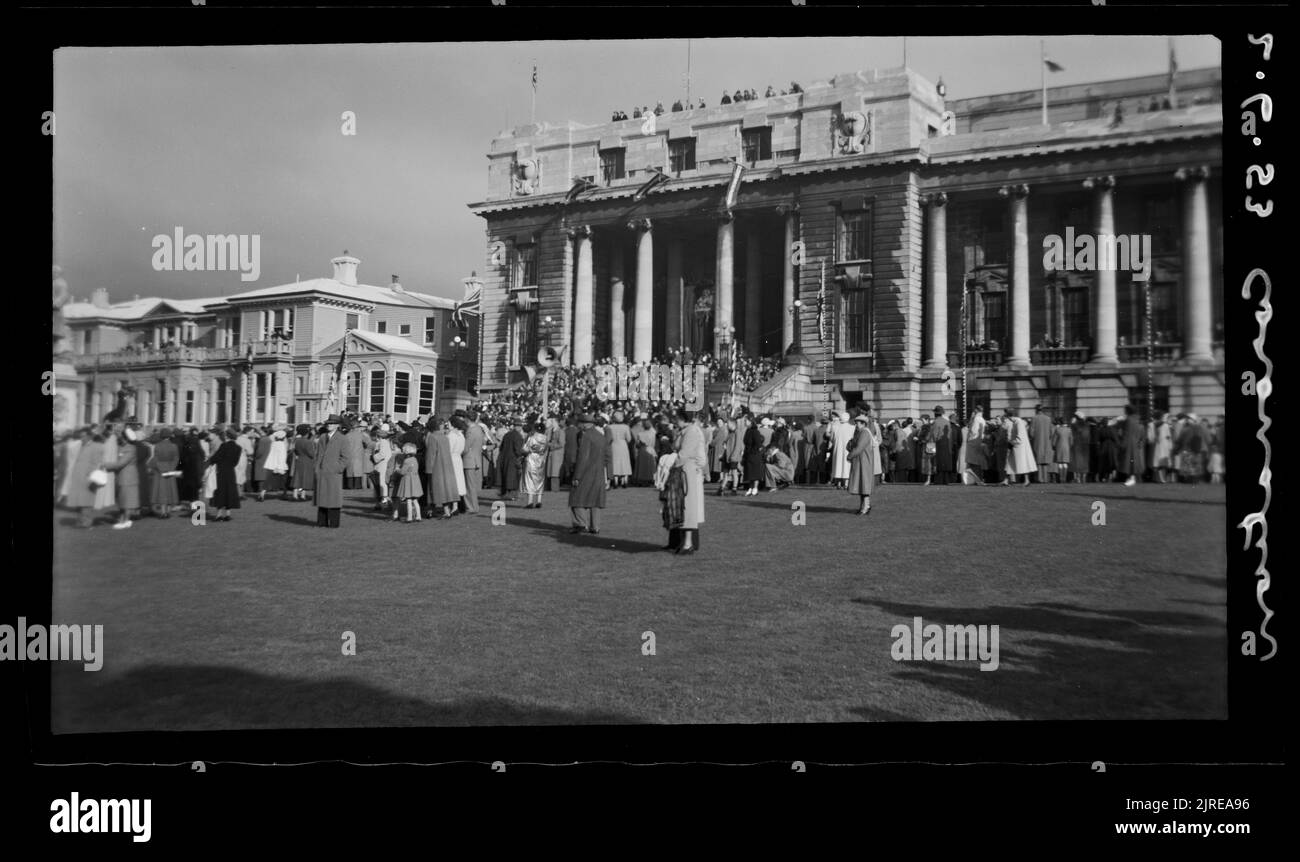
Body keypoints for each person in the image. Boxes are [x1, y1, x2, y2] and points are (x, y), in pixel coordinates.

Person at [671, 408, 707, 554]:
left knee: (688, 507)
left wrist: (669, 461)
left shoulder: (691, 431)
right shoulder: (685, 431)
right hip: (683, 471)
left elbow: (685, 453)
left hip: (688, 471)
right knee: (682, 507)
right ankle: (684, 542)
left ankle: (688, 543)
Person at [569, 414, 609, 534]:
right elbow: (608, 456)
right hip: (599, 473)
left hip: (586, 472)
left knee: (576, 498)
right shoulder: (601, 436)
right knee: (595, 501)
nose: (578, 425)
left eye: (580, 423)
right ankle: (595, 526)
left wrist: (577, 476)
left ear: (585, 424)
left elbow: (582, 458)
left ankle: (580, 524)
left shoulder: (586, 436)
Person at [314, 414, 349, 527]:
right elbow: (318, 454)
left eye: (332, 423)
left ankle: (334, 523)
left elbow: (346, 457)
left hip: (334, 472)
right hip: (322, 471)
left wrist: (337, 468)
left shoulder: (342, 438)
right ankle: (321, 523)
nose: (329, 425)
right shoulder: (323, 437)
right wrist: (316, 468)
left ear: (338, 425)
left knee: (333, 499)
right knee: (322, 498)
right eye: (328, 423)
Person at [424, 416, 461, 519]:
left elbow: (431, 455)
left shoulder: (432, 437)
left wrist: (428, 469)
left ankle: (430, 511)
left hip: (436, 467)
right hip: (447, 465)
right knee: (444, 489)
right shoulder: (444, 437)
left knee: (432, 489)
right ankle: (446, 511)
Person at [846, 410, 879, 515]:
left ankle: (866, 506)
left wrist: (850, 455)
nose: (856, 424)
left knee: (864, 485)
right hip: (860, 461)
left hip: (864, 462)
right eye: (856, 422)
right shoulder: (860, 432)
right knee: (862, 485)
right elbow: (852, 445)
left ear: (863, 423)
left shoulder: (864, 432)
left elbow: (859, 447)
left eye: (858, 422)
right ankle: (863, 506)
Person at [207, 428, 244, 522]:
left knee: (220, 492)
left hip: (221, 471)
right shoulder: (238, 447)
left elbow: (216, 457)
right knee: (229, 492)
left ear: (227, 436)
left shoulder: (224, 446)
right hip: (231, 471)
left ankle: (219, 515)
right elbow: (236, 462)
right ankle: (228, 514)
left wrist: (210, 461)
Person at [461, 411, 486, 514]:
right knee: (473, 486)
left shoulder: (471, 430)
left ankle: (471, 507)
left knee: (469, 486)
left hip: (469, 460)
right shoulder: (479, 429)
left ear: (467, 419)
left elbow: (466, 447)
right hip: (476, 459)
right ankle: (474, 507)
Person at [1005, 409, 1037, 486]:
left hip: (1019, 447)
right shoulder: (1016, 422)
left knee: (1023, 464)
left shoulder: (1018, 422)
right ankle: (1006, 480)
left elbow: (1020, 437)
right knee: (1011, 463)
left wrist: (1011, 442)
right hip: (1017, 446)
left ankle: (1026, 480)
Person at [394, 442, 423, 523]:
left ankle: (409, 518)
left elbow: (403, 472)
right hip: (415, 481)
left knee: (409, 500)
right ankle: (418, 516)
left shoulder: (406, 461)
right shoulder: (415, 459)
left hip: (408, 481)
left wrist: (397, 470)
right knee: (415, 500)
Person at [522, 419, 549, 509]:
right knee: (540, 479)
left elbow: (525, 448)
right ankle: (539, 500)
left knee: (530, 479)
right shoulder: (545, 439)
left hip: (531, 458)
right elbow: (545, 449)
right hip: (541, 459)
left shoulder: (532, 437)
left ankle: (530, 501)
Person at [498, 416, 525, 500]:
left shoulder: (507, 434)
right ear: (520, 426)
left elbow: (501, 447)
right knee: (514, 478)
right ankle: (513, 495)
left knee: (506, 476)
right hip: (514, 459)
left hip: (504, 458)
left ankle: (506, 494)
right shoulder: (518, 436)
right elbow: (518, 450)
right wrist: (525, 453)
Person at [370, 424, 395, 511]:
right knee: (378, 484)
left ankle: (384, 501)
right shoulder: (381, 442)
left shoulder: (383, 443)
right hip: (379, 465)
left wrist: (373, 457)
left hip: (382, 466)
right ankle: (379, 503)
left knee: (381, 484)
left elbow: (382, 454)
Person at [606, 411, 633, 488]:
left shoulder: (610, 427)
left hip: (614, 445)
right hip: (623, 445)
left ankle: (616, 480)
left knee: (615, 462)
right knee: (625, 462)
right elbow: (629, 439)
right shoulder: (626, 427)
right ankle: (625, 479)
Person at [291, 425, 317, 501]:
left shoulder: (297, 441)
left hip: (299, 459)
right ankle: (302, 495)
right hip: (307, 461)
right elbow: (311, 454)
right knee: (305, 478)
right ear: (307, 433)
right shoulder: (308, 442)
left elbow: (295, 451)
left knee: (297, 478)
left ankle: (295, 494)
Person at [828, 411, 854, 489]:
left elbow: (832, 439)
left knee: (838, 465)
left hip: (837, 449)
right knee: (846, 466)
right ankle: (846, 483)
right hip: (847, 450)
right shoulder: (852, 427)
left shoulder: (834, 427)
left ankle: (838, 483)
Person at [1030, 404, 1054, 484]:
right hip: (1047, 442)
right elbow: (1051, 432)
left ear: (1036, 410)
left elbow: (1031, 433)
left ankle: (1040, 478)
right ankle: (1046, 478)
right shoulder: (1048, 418)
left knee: (1039, 461)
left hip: (1038, 442)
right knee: (1045, 461)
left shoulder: (1034, 419)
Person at [264, 428, 290, 499]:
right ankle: (284, 494)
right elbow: (282, 456)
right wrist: (281, 466)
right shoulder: (282, 445)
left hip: (271, 464)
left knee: (268, 480)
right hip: (280, 464)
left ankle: (262, 493)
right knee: (284, 481)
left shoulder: (273, 443)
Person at [742, 411, 764, 496]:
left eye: (746, 421)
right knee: (749, 473)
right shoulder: (747, 431)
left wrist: (752, 451)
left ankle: (755, 488)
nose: (745, 422)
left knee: (755, 474)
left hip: (754, 455)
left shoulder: (755, 431)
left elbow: (758, 444)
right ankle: (750, 488)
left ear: (750, 421)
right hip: (748, 455)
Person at [963, 408, 987, 485]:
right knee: (977, 463)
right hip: (979, 442)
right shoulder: (982, 419)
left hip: (973, 443)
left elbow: (973, 430)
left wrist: (971, 418)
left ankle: (977, 480)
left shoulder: (976, 419)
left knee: (973, 463)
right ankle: (978, 479)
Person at [931, 406, 953, 485]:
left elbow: (934, 435)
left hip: (939, 443)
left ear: (935, 413)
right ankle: (946, 480)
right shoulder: (947, 422)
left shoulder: (936, 422)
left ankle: (939, 480)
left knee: (938, 461)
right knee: (945, 461)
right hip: (947, 443)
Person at [634, 417, 659, 486]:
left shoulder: (640, 434)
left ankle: (642, 480)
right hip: (650, 449)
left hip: (642, 450)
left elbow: (637, 444)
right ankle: (650, 479)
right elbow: (654, 444)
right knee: (650, 466)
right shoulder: (653, 434)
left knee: (642, 466)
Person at [545, 416, 566, 491]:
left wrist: (551, 445)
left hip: (557, 455)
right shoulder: (552, 431)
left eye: (553, 422)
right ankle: (550, 488)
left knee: (555, 473)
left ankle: (554, 488)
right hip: (552, 454)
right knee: (551, 472)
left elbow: (561, 444)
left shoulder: (560, 431)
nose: (551, 423)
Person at [1051, 417, 1072, 484]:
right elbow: (1071, 441)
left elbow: (1054, 441)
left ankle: (1060, 479)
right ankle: (1064, 478)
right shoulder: (1069, 430)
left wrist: (1053, 447)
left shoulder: (1058, 430)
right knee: (1065, 463)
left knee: (1060, 463)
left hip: (1059, 447)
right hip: (1066, 448)